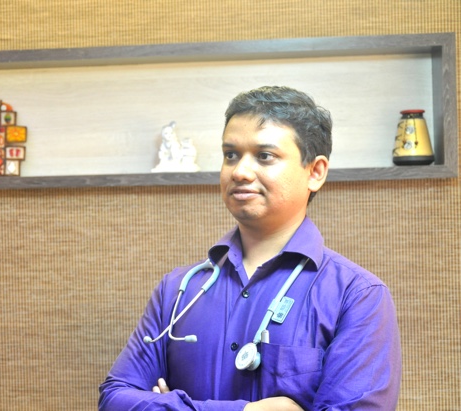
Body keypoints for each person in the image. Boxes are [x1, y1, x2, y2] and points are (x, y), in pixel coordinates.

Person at [99, 86, 402, 410]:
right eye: (230, 155)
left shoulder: (357, 296)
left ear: (315, 172)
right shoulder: (177, 291)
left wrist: (167, 405)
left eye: (264, 156)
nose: (240, 172)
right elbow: (114, 399)